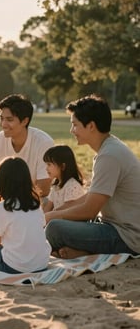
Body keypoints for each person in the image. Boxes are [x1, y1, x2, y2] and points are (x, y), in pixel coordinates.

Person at [45, 95, 140, 259]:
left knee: (54, 229)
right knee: (56, 221)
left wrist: (51, 216)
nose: (71, 131)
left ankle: (89, 250)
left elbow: (89, 210)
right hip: (109, 224)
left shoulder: (109, 156)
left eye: (74, 125)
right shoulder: (108, 149)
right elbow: (89, 198)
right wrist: (54, 212)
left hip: (126, 236)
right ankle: (85, 250)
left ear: (91, 126)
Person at [0, 93, 54, 219]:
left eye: (9, 120)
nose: (3, 124)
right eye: (1, 118)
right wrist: (6, 202)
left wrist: (17, 201)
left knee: (49, 204)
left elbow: (44, 188)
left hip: (34, 200)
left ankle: (12, 218)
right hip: (6, 201)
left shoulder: (43, 142)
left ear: (25, 121)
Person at [0, 157, 51, 273]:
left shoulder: (2, 207)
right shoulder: (35, 204)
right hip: (41, 264)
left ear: (1, 182)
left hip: (15, 267)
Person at [42, 145, 85, 212]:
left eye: (49, 165)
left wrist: (50, 216)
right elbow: (48, 208)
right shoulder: (56, 186)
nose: (46, 168)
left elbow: (67, 211)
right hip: (58, 220)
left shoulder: (72, 186)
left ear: (62, 166)